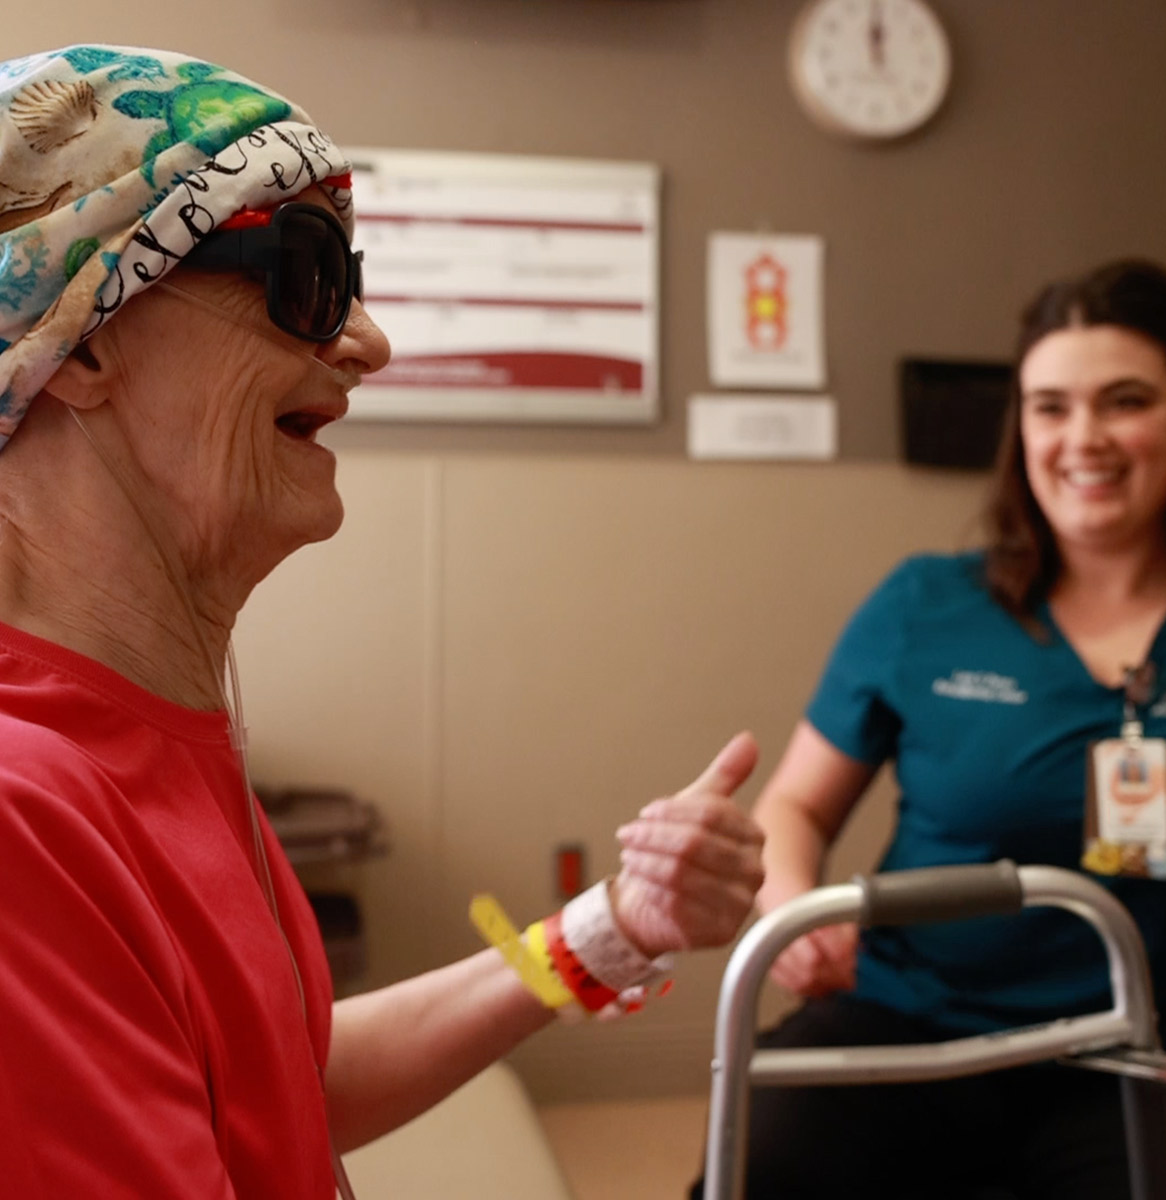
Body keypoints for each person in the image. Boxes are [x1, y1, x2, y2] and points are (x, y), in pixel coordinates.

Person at [0, 46, 766, 1197]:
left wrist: (610, 928)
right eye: (306, 275)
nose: (366, 343)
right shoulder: (24, 823)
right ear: (84, 333)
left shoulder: (146, 738)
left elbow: (280, 1088)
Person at [691, 258, 1166, 1200]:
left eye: (1124, 400)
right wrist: (792, 911)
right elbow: (798, 802)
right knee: (764, 1162)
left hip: (1145, 1042)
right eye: (1050, 407)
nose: (1083, 438)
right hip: (911, 1018)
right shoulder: (926, 604)